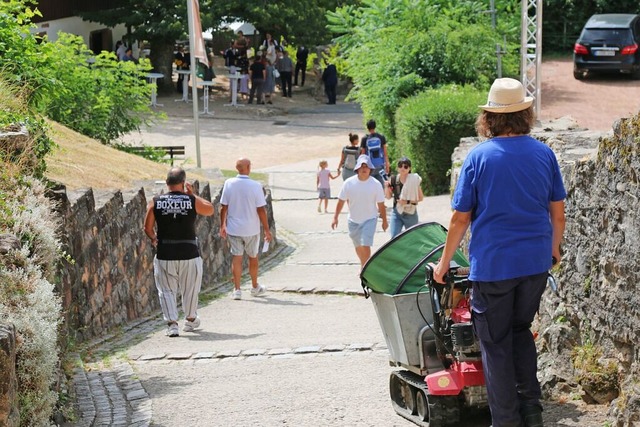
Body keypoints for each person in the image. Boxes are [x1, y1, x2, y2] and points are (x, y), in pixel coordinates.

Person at [433, 78, 566, 427]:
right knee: (520, 330)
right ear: (526, 113)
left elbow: (461, 218)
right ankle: (532, 412)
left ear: (490, 118)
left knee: (494, 343)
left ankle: (506, 421)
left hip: (494, 267)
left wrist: (444, 264)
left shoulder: (479, 157)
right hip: (535, 264)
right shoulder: (544, 154)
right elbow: (558, 213)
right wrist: (553, 251)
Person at [143, 167, 215, 337]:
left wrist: (154, 238)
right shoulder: (190, 200)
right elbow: (210, 209)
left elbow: (147, 227)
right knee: (190, 288)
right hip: (189, 251)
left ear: (167, 183)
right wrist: (192, 194)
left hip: (165, 252)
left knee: (166, 289)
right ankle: (190, 319)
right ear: (183, 183)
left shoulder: (156, 201)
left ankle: (172, 324)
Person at [220, 158, 273, 300]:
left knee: (236, 258)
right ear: (248, 167)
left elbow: (223, 207)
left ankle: (237, 289)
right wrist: (267, 230)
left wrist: (222, 225)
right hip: (251, 229)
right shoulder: (255, 185)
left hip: (234, 228)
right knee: (253, 257)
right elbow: (261, 210)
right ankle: (255, 286)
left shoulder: (229, 183)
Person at [331, 155, 388, 269]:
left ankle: (365, 269)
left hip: (370, 219)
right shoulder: (348, 183)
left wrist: (384, 221)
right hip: (353, 220)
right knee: (358, 246)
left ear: (370, 169)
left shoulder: (376, 184)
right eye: (361, 166)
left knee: (365, 244)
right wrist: (335, 217)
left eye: (366, 166)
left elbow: (381, 204)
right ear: (357, 168)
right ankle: (364, 264)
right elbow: (341, 201)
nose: (364, 169)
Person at [385, 157, 424, 238]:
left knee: (413, 238)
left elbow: (420, 198)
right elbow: (388, 197)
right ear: (397, 167)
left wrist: (407, 202)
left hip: (410, 212)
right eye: (400, 165)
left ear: (409, 168)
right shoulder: (393, 179)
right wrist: (386, 187)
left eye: (405, 166)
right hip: (397, 212)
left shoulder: (414, 180)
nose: (402, 168)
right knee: (394, 238)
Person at [360, 119, 390, 187]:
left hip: (369, 166)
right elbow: (385, 152)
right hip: (380, 166)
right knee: (380, 185)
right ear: (375, 126)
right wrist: (387, 165)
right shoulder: (381, 137)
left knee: (369, 186)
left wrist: (361, 167)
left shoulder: (365, 139)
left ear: (367, 128)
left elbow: (363, 154)